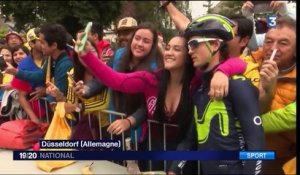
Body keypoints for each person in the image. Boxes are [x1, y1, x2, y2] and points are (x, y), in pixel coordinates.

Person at [75, 17, 247, 174]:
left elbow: (238, 62)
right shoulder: (152, 79)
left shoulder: (196, 80)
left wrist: (222, 72)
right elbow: (117, 80)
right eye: (168, 48)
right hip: (152, 152)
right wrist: (87, 56)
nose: (169, 52)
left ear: (188, 55)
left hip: (185, 158)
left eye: (177, 49)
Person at [176, 14, 265, 174]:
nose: (190, 51)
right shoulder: (200, 89)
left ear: (215, 44)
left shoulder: (238, 84)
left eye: (194, 44)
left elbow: (257, 145)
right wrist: (174, 169)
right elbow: (190, 139)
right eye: (188, 46)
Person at [251, 15, 296, 175]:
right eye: (269, 41)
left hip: (283, 161)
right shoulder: (247, 66)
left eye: (283, 43)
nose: (273, 48)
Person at [4, 23, 73, 109]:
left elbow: (60, 94)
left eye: (42, 42)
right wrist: (16, 72)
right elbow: (41, 76)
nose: (41, 45)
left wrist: (46, 92)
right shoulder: (51, 58)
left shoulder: (65, 64)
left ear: (54, 45)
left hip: (67, 113)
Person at [10, 27, 47, 124]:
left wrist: (46, 91)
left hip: (59, 109)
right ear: (31, 44)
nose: (45, 44)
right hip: (40, 114)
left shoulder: (52, 59)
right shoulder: (24, 65)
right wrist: (33, 118)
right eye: (41, 41)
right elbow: (21, 96)